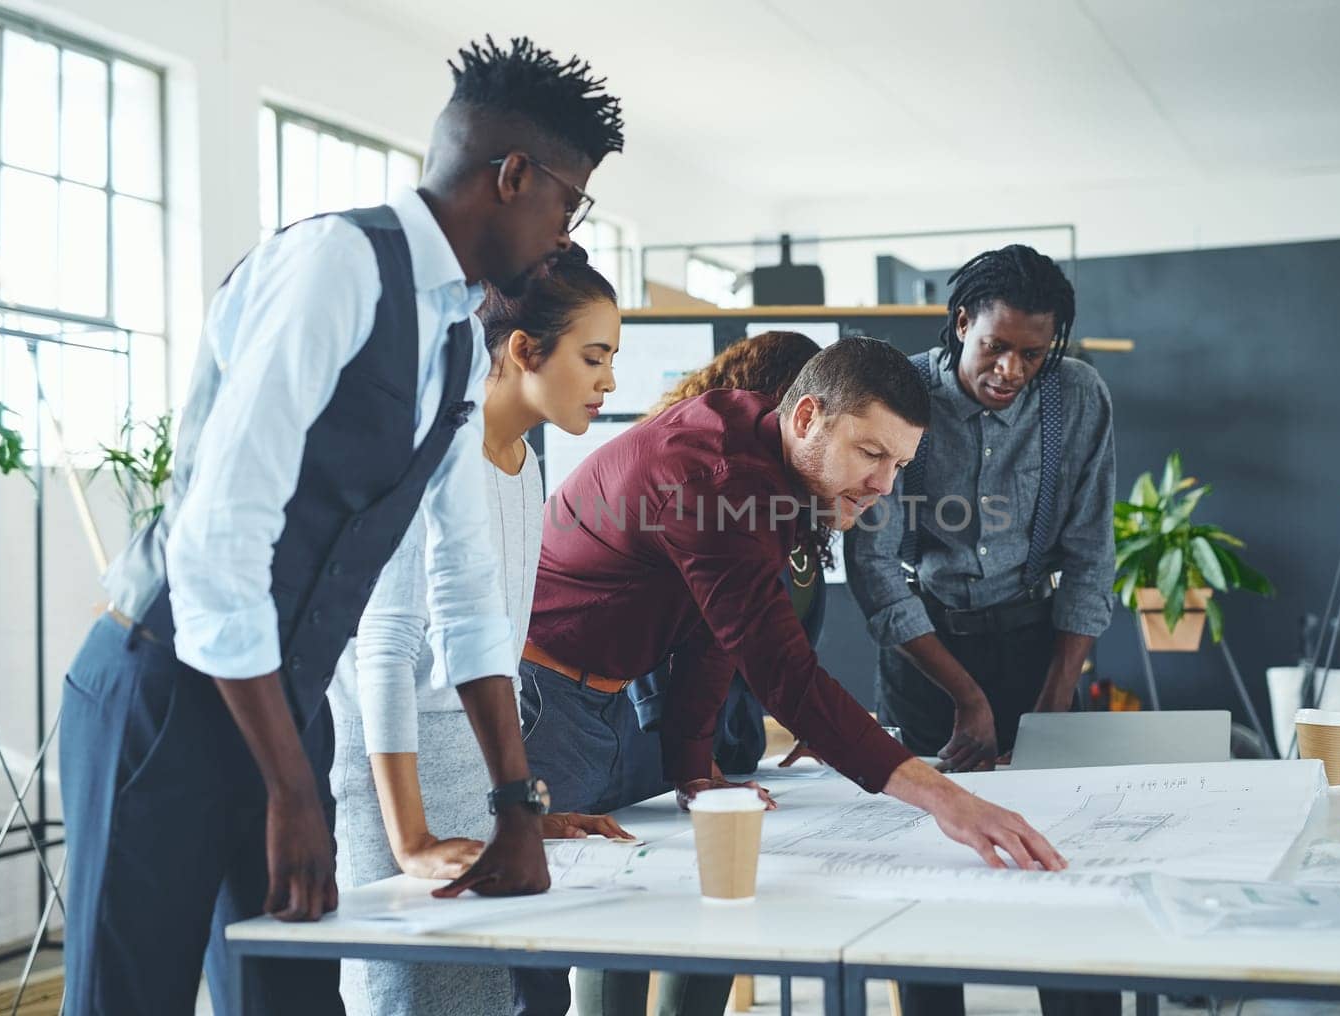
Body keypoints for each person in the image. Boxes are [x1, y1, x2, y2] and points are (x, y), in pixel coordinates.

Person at [58, 35, 624, 1016]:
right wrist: (292, 789)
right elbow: (217, 541)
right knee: (129, 995)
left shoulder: (453, 334)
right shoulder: (334, 266)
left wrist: (514, 802)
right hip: (164, 689)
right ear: (512, 175)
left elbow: (465, 585)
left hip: (283, 699)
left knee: (288, 999)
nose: (565, 232)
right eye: (568, 202)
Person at [517, 335, 1069, 1016]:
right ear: (806, 417)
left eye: (899, 463)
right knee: (536, 954)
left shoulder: (770, 468)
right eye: (871, 454)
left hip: (611, 706)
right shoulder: (716, 477)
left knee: (630, 917)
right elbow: (782, 672)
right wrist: (944, 799)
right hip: (546, 702)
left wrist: (694, 768)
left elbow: (714, 635)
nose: (883, 486)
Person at [328, 250, 631, 1016]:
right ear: (525, 349)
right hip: (395, 767)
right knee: (409, 997)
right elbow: (384, 651)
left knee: (483, 998)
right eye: (593, 358)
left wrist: (522, 809)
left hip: (472, 762)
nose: (609, 383)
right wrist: (410, 838)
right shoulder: (433, 447)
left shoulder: (524, 460)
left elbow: (497, 654)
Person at [844, 245, 1117, 1016]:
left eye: (1034, 353)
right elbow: (874, 567)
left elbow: (1092, 552)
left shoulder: (1079, 398)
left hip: (1038, 646)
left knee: (1066, 867)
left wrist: (1054, 697)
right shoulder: (900, 393)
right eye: (995, 347)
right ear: (962, 323)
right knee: (930, 876)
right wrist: (965, 697)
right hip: (925, 651)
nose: (1011, 370)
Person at [589, 330, 827, 1016]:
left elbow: (778, 625)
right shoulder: (701, 479)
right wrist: (686, 755)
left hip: (731, 742)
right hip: (655, 740)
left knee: (718, 924)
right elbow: (676, 629)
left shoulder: (791, 503)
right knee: (629, 928)